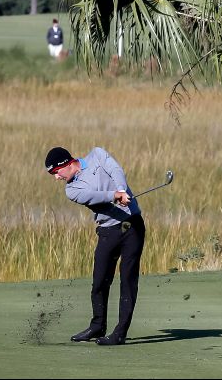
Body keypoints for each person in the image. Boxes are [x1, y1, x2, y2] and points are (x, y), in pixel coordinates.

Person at [45, 146, 145, 346]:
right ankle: (97, 326)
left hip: (131, 225)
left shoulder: (97, 155)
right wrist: (115, 196)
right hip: (108, 231)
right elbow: (93, 196)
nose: (56, 178)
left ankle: (120, 333)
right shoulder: (72, 190)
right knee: (99, 281)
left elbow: (115, 170)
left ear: (65, 164)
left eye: (55, 173)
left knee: (128, 280)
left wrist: (122, 190)